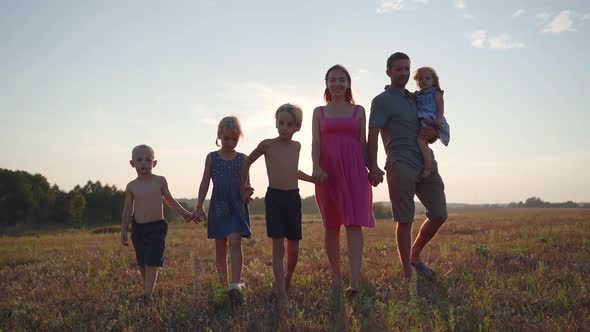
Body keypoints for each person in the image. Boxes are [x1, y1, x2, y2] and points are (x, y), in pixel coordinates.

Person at [367, 52, 448, 280]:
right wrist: (372, 166)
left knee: (439, 213)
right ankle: (407, 273)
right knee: (405, 219)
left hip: (426, 162)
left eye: (406, 69)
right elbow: (372, 135)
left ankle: (415, 254)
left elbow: (431, 127)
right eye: (399, 69)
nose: (403, 72)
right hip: (400, 163)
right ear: (389, 72)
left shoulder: (418, 98)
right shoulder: (381, 101)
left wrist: (433, 133)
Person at [240, 103, 316, 307]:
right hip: (274, 198)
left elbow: (293, 171)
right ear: (275, 123)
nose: (284, 127)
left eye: (289, 124)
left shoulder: (297, 146)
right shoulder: (267, 144)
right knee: (278, 247)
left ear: (297, 127)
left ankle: (286, 279)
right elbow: (246, 162)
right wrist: (244, 186)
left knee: (294, 249)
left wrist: (313, 179)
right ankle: (281, 291)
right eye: (281, 123)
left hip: (293, 198)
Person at [312, 64, 375, 297]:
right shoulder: (319, 112)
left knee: (354, 223)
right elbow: (316, 142)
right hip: (327, 172)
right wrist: (315, 167)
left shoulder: (358, 111)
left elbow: (363, 142)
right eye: (332, 80)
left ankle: (355, 282)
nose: (337, 83)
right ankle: (336, 278)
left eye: (341, 79)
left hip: (354, 171)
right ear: (326, 84)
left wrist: (373, 169)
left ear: (348, 83)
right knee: (331, 224)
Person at [120, 144, 193, 304]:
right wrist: (124, 228)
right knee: (142, 264)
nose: (144, 163)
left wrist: (185, 214)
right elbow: (127, 209)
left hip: (156, 228)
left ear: (154, 163)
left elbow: (170, 201)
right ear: (132, 163)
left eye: (148, 159)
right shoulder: (131, 186)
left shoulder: (159, 181)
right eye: (139, 160)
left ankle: (147, 296)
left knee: (152, 261)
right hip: (138, 229)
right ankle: (149, 286)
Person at [193, 116, 253, 297]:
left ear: (239, 138)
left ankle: (235, 284)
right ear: (219, 136)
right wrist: (199, 205)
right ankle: (223, 285)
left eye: (234, 139)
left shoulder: (243, 158)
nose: (230, 142)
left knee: (235, 241)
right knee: (221, 246)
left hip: (236, 205)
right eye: (226, 138)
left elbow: (246, 183)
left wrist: (247, 193)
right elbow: (205, 181)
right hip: (219, 205)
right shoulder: (212, 158)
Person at [414, 66, 450, 178]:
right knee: (421, 141)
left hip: (432, 119)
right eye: (420, 79)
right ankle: (427, 164)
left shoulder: (436, 92)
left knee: (421, 141)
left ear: (434, 81)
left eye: (427, 78)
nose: (423, 81)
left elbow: (440, 108)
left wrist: (438, 120)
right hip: (424, 119)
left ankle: (428, 167)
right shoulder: (419, 94)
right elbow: (407, 95)